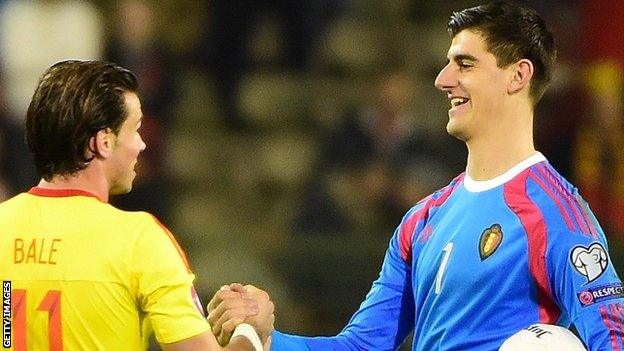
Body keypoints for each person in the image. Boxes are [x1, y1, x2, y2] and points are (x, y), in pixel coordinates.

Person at [208, 2, 624, 350]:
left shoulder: (556, 214)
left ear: (518, 75)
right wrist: (268, 338)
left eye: (465, 64)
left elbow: (611, 335)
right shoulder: (423, 219)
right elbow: (360, 346)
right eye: (446, 64)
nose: (443, 80)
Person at [0, 60, 274, 351]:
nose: (141, 145)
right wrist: (251, 330)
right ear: (103, 142)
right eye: (135, 129)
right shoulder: (138, 240)